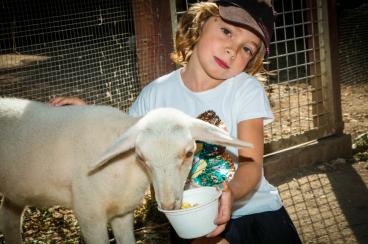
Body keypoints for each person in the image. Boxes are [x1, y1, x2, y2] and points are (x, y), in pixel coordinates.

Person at [50, 1, 302, 243]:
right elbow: (121, 138)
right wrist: (87, 115)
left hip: (255, 209)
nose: (232, 50)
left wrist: (230, 194)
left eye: (247, 48)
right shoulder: (155, 94)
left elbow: (251, 166)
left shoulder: (245, 90)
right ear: (202, 23)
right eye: (226, 31)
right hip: (192, 217)